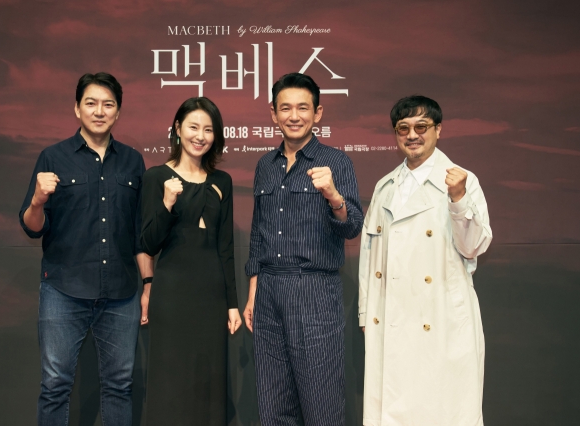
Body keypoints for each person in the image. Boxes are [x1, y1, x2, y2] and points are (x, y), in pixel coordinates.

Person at [19, 72, 154, 426]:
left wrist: (148, 284)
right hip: (64, 289)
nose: (99, 111)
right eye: (91, 103)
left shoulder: (132, 162)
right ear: (76, 109)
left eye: (108, 104)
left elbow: (140, 232)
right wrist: (36, 199)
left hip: (121, 292)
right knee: (55, 385)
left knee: (119, 386)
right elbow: (33, 227)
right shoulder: (53, 157)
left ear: (118, 112)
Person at [358, 95, 493, 426]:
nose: (412, 135)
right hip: (390, 317)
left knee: (441, 411)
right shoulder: (385, 186)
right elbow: (368, 254)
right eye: (403, 128)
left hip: (440, 319)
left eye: (421, 126)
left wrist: (458, 199)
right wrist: (366, 312)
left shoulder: (462, 181)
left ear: (438, 130)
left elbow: (474, 246)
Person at [243, 73, 364, 426]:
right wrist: (253, 290)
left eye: (303, 108)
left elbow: (353, 225)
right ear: (273, 113)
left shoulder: (336, 161)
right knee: (273, 402)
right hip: (268, 291)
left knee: (321, 403)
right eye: (286, 108)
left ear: (318, 113)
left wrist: (333, 196)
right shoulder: (265, 165)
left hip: (314, 288)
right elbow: (257, 234)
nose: (294, 116)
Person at [140, 97, 242, 425]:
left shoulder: (221, 182)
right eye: (194, 127)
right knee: (170, 381)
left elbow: (225, 248)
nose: (200, 136)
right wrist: (167, 203)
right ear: (177, 129)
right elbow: (147, 242)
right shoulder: (156, 177)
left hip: (211, 296)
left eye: (208, 129)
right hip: (171, 294)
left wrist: (231, 304)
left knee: (208, 382)